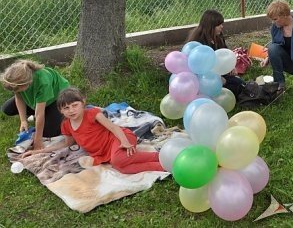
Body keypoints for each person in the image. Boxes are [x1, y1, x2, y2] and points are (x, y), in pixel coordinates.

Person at [21, 87, 164, 174]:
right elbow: (65, 144)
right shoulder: (66, 125)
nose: (71, 110)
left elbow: (114, 127)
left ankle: (160, 157)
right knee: (122, 168)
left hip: (119, 138)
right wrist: (37, 151)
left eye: (75, 105)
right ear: (60, 110)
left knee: (118, 160)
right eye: (66, 108)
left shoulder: (92, 113)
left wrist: (125, 142)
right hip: (103, 152)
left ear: (83, 103)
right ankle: (164, 167)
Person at [1, 60, 70, 150]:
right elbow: (19, 98)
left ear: (27, 83)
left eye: (17, 90)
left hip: (56, 98)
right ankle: (40, 115)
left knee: (49, 133)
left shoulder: (43, 82)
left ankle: (59, 113)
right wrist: (23, 121)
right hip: (38, 101)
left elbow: (39, 114)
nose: (15, 92)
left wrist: (38, 139)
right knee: (7, 109)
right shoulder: (19, 79)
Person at [186, 9, 246, 97]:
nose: (222, 27)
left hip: (218, 74)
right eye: (219, 25)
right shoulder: (199, 42)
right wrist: (217, 78)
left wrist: (231, 67)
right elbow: (199, 68)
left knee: (240, 84)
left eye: (222, 24)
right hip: (203, 79)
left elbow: (224, 54)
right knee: (235, 88)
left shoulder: (218, 36)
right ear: (210, 26)